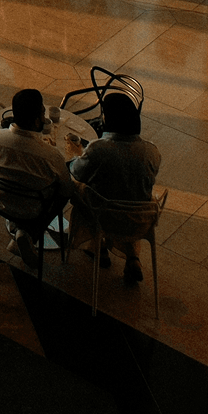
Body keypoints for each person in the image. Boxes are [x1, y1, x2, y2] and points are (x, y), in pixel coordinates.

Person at [69, 90, 162, 281]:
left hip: (104, 217)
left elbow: (77, 172)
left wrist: (74, 154)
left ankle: (98, 246)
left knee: (78, 187)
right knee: (130, 193)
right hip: (138, 219)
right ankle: (132, 257)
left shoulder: (98, 149)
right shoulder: (152, 152)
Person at [0, 87, 72, 264]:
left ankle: (18, 228)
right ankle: (30, 232)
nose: (44, 116)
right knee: (62, 194)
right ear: (36, 121)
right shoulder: (51, 156)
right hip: (34, 210)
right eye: (42, 112)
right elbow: (66, 189)